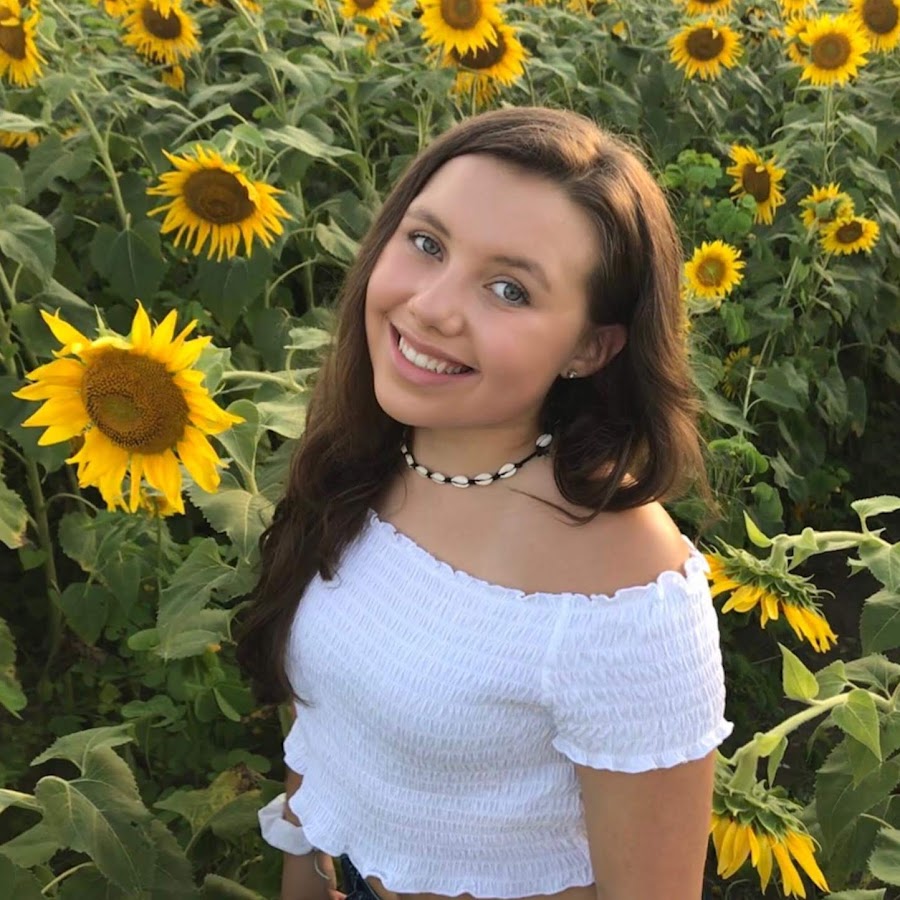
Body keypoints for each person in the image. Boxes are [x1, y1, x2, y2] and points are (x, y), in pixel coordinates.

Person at [237, 106, 733, 900]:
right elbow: (324, 730)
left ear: (589, 348)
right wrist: (305, 870)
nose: (432, 306)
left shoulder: (626, 596)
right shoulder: (365, 459)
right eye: (427, 243)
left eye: (509, 289)